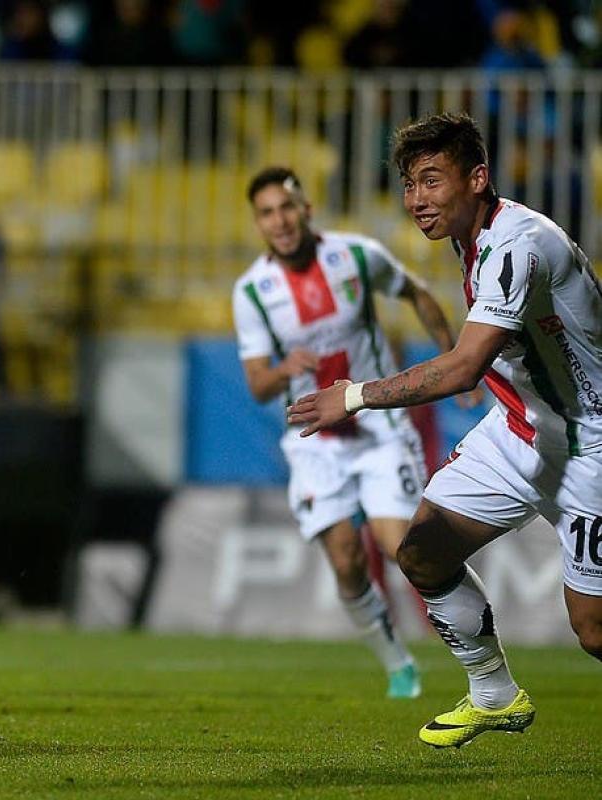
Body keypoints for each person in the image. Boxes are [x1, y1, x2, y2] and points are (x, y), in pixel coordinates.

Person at [288, 112, 602, 747]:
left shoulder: (518, 245)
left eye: (431, 180)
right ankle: (494, 695)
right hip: (520, 428)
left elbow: (462, 369)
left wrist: (354, 396)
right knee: (423, 552)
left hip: (590, 443)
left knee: (593, 630)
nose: (416, 200)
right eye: (409, 184)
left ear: (477, 178)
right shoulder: (471, 236)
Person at [233, 166, 472, 699]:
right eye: (267, 213)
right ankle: (398, 664)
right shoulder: (252, 292)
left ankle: (481, 660)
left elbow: (418, 293)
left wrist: (457, 361)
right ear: (258, 223)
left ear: (306, 209)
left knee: (402, 548)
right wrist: (283, 368)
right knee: (345, 560)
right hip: (315, 442)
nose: (280, 221)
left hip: (378, 427)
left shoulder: (357, 256)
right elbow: (257, 385)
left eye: (287, 207)